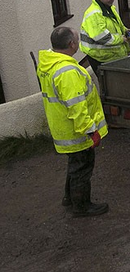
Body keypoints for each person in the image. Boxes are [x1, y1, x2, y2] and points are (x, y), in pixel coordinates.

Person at [37, 27, 110, 217]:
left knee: (75, 164)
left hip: (62, 127)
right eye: (77, 41)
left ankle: (69, 198)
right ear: (71, 44)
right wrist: (91, 131)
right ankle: (82, 206)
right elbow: (77, 107)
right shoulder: (68, 71)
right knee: (82, 168)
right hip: (76, 131)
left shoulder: (48, 63)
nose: (77, 43)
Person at [79, 0, 130, 73]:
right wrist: (121, 39)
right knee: (108, 84)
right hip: (100, 58)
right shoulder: (95, 14)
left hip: (110, 56)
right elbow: (102, 37)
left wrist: (125, 30)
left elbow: (118, 25)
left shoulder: (109, 8)